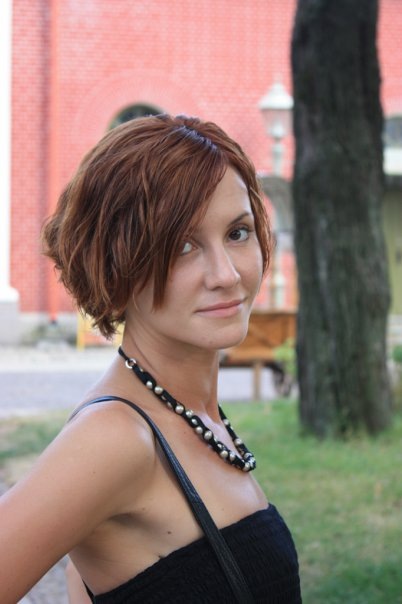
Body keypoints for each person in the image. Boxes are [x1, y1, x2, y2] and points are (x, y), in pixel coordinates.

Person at [0, 114, 301, 603]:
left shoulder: (192, 413)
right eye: (183, 245)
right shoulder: (116, 438)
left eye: (238, 232)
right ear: (116, 266)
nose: (226, 274)